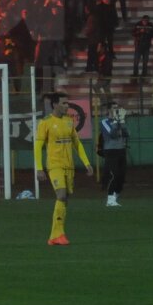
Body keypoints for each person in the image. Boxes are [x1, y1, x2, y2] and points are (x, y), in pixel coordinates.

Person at [33, 93, 94, 246]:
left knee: (65, 199)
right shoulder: (45, 123)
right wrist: (39, 168)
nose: (67, 106)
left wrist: (86, 163)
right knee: (61, 195)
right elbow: (38, 146)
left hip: (69, 166)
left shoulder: (68, 122)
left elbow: (77, 144)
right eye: (64, 103)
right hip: (55, 165)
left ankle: (57, 235)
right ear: (55, 105)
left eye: (68, 103)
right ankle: (56, 235)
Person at [96, 104, 129, 207]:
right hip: (110, 151)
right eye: (114, 108)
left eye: (117, 108)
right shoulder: (104, 122)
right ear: (109, 110)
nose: (116, 110)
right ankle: (110, 199)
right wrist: (116, 122)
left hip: (121, 150)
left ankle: (115, 197)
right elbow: (113, 135)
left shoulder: (120, 121)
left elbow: (127, 134)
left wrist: (122, 122)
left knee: (122, 176)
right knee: (114, 174)